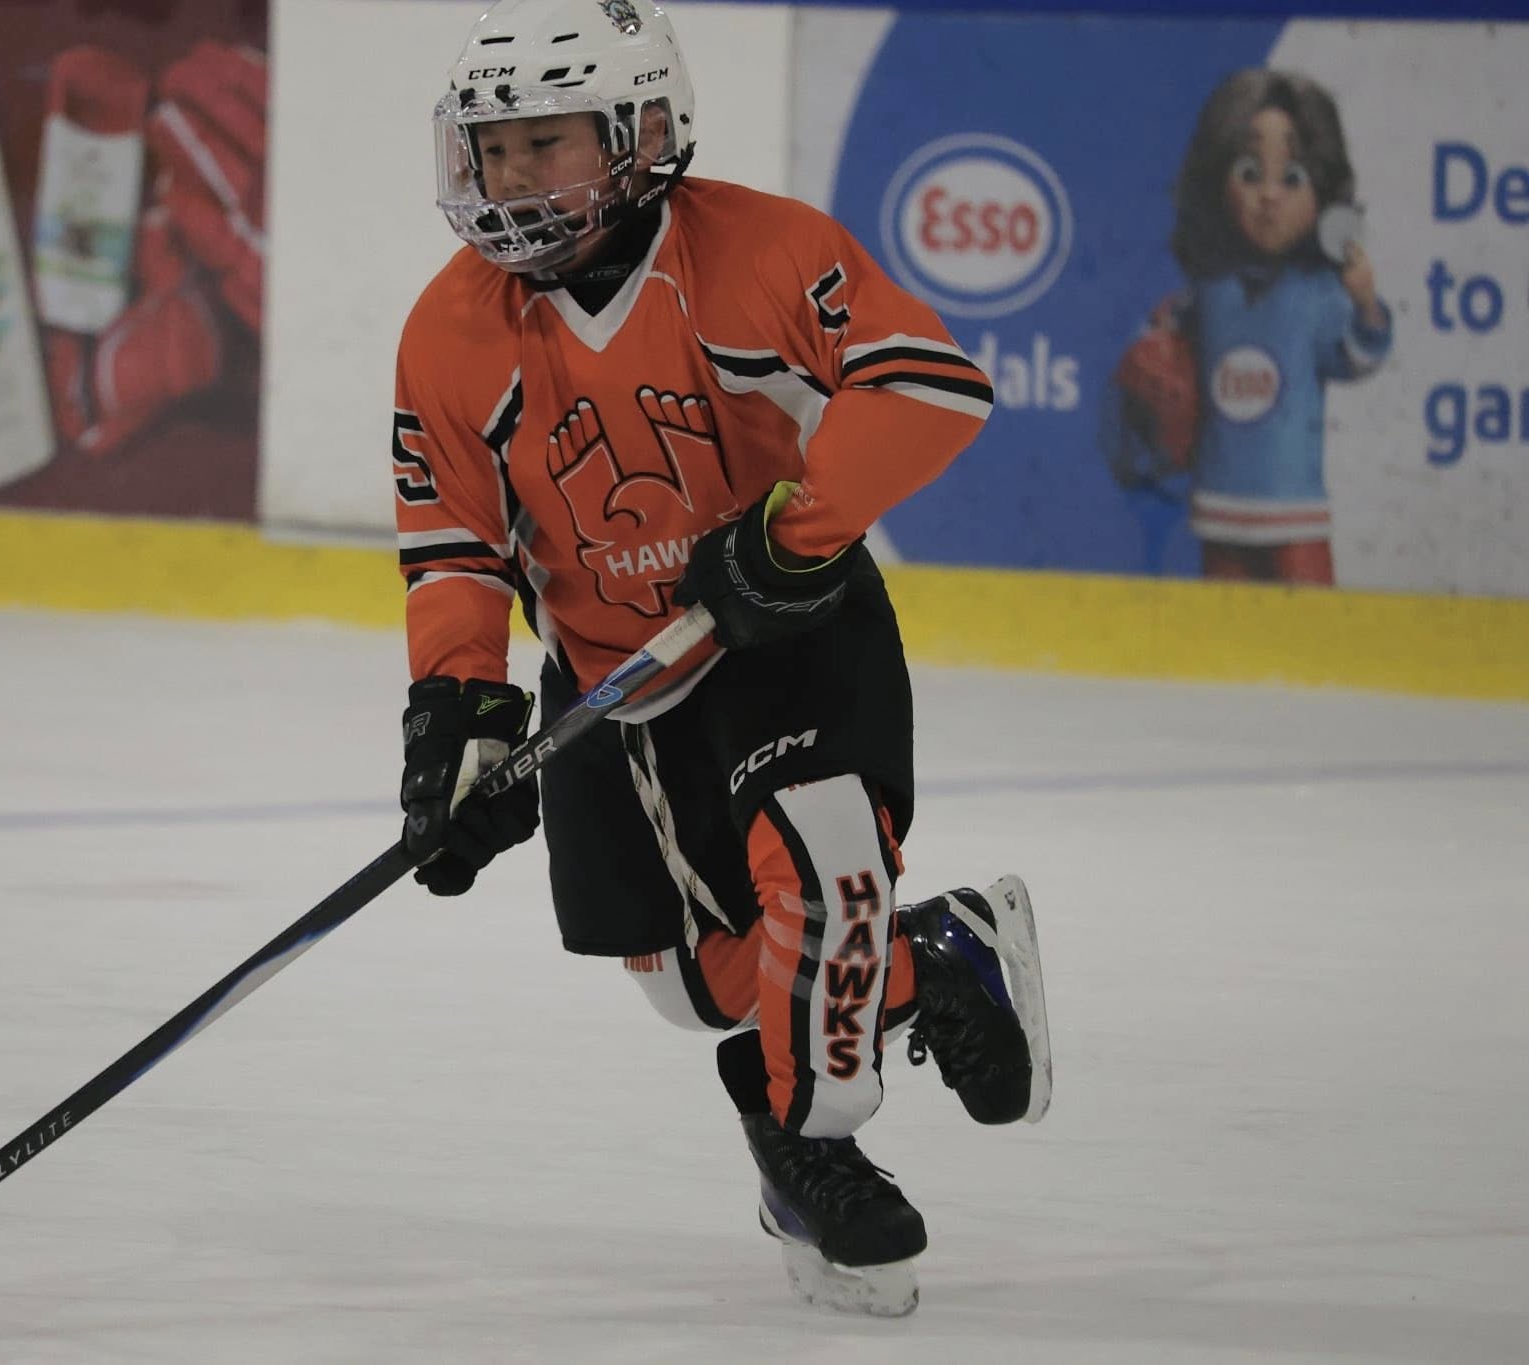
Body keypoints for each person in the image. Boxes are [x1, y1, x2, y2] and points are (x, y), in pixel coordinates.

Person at [389, 0, 1051, 1317]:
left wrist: (788, 541)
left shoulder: (756, 251)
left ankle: (809, 1143)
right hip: (614, 679)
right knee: (700, 986)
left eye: (544, 142)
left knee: (824, 859)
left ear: (641, 132)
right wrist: (461, 718)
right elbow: (455, 545)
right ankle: (939, 958)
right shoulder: (450, 330)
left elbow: (927, 382)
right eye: (493, 148)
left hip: (789, 629)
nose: (510, 177)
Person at [1107, 68, 1391, 585]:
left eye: (1293, 177)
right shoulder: (1212, 289)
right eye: (1249, 172)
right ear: (1216, 184)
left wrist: (1366, 304)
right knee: (1224, 627)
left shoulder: (1319, 293)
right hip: (1220, 503)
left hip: (1295, 510)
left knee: (1310, 625)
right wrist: (1153, 347)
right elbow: (1163, 337)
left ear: (1323, 189)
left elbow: (1355, 358)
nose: (1269, 195)